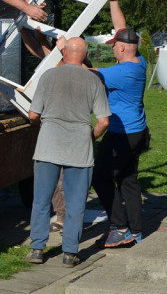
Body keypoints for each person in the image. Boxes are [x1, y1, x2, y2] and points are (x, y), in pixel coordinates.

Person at [25, 36, 110, 266]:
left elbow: (33, 115)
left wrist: (44, 126)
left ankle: (37, 249)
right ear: (85, 56)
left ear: (64, 53)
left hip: (48, 146)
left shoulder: (48, 76)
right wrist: (89, 137)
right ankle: (70, 253)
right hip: (79, 150)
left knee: (41, 201)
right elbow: (103, 122)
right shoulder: (93, 81)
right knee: (75, 203)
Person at [91, 0, 150, 248]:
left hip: (120, 134)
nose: (112, 48)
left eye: (116, 46)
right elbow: (122, 29)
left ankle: (119, 227)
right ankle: (137, 231)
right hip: (138, 132)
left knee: (101, 177)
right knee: (128, 180)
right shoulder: (140, 62)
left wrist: (65, 50)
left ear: (124, 49)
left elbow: (86, 73)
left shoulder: (121, 73)